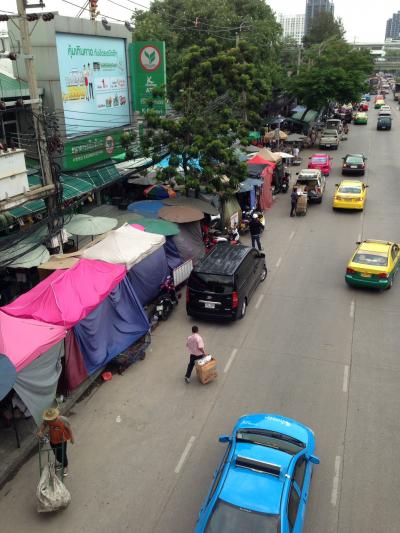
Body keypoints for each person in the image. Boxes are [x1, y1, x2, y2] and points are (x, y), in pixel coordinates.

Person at [37, 407, 74, 476]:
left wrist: (72, 437)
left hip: (62, 440)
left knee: (62, 454)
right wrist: (40, 431)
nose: (49, 421)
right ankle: (61, 463)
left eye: (51, 419)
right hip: (53, 439)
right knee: (56, 453)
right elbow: (44, 424)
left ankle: (65, 466)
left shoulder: (62, 420)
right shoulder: (47, 420)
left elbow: (68, 428)